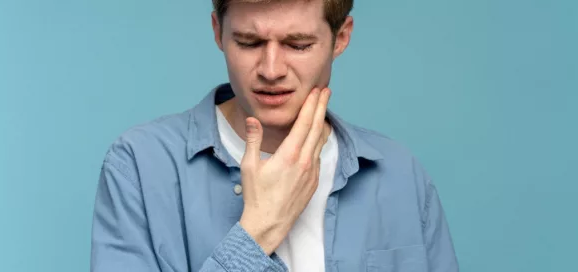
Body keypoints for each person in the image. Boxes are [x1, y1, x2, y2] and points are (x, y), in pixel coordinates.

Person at [90, 0, 459, 271]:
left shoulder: (400, 174)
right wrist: (257, 233)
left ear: (341, 37)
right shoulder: (139, 166)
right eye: (249, 42)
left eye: (298, 45)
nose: (271, 70)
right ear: (218, 32)